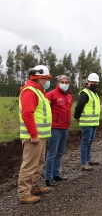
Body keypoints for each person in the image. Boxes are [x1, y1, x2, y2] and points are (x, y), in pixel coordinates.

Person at [18, 65, 53, 204]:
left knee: (39, 163)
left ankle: (33, 187)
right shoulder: (30, 91)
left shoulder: (39, 91)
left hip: (42, 135)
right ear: (40, 79)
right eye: (46, 79)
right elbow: (27, 114)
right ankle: (24, 194)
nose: (47, 81)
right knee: (30, 165)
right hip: (33, 136)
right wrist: (33, 134)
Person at [45, 75, 73, 187]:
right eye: (62, 82)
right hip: (55, 128)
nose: (65, 84)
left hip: (65, 128)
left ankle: (56, 174)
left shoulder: (69, 96)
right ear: (58, 83)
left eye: (67, 82)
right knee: (52, 153)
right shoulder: (51, 94)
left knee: (60, 152)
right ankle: (48, 177)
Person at [74, 73, 101, 171]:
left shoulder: (95, 93)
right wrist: (76, 116)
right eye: (92, 82)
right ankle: (83, 162)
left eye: (96, 82)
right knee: (85, 142)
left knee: (90, 141)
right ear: (88, 82)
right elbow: (79, 106)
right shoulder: (84, 93)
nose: (94, 84)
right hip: (86, 123)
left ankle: (89, 159)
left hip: (93, 122)